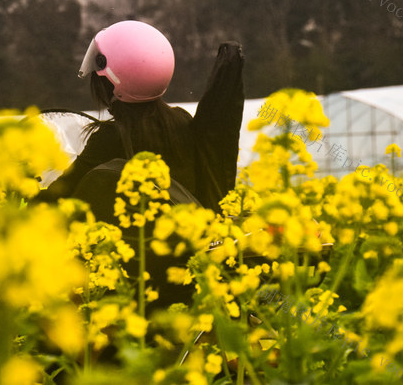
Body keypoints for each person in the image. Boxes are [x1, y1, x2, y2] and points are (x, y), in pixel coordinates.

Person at [32, 20, 244, 307]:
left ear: (109, 81)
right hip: (183, 283)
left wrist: (19, 197)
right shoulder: (182, 122)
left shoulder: (111, 139)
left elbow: (59, 200)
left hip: (130, 292)